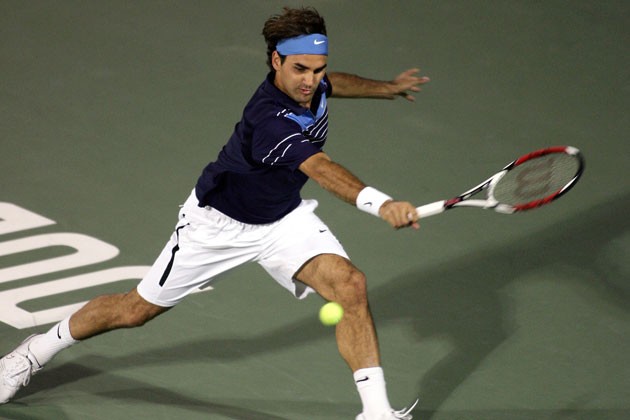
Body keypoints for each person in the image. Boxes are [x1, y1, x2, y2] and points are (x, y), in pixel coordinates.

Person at [0, 6, 429, 420]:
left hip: (282, 218)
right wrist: (381, 203)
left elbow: (333, 84)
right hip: (217, 226)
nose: (311, 80)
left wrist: (385, 88)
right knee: (134, 310)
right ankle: (34, 352)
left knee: (351, 285)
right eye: (301, 69)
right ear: (276, 61)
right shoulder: (269, 120)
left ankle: (377, 412)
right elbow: (321, 169)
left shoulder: (310, 83)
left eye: (317, 69)